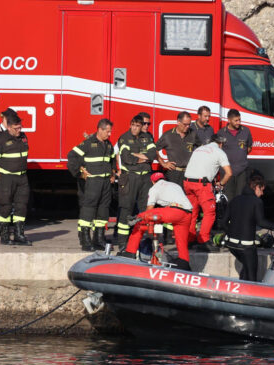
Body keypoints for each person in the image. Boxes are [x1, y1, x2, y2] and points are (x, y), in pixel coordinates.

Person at [119, 172, 194, 271]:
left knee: (140, 221)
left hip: (174, 211)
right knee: (182, 241)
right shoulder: (175, 185)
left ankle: (130, 252)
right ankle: (184, 264)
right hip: (187, 213)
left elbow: (150, 209)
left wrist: (142, 217)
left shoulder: (154, 188)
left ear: (152, 181)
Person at [222, 174, 274, 281]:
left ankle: (241, 288)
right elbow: (261, 222)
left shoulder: (235, 200)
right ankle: (247, 293)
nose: (262, 194)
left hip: (232, 245)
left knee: (246, 267)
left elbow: (223, 222)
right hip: (246, 247)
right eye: (262, 190)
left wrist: (232, 234)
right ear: (257, 187)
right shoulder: (257, 202)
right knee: (252, 277)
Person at [68, 119, 116, 251]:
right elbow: (72, 156)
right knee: (88, 209)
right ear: (100, 130)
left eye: (110, 131)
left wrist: (113, 173)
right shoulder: (88, 143)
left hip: (105, 182)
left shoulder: (108, 144)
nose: (109, 134)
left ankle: (98, 239)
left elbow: (111, 159)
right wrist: (79, 172)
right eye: (107, 131)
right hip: (93, 182)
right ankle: (85, 239)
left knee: (103, 210)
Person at [184, 134, 232, 252]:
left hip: (187, 182)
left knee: (192, 212)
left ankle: (190, 239)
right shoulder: (219, 152)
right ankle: (204, 241)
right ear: (220, 144)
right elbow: (229, 173)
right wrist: (221, 183)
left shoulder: (199, 149)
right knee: (209, 213)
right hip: (202, 185)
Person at [114, 116, 157, 249]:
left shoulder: (147, 137)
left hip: (145, 179)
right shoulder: (124, 138)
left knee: (146, 209)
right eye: (132, 125)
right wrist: (143, 157)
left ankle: (144, 240)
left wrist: (137, 155)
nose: (134, 128)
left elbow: (152, 154)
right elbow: (126, 158)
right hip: (130, 177)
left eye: (137, 126)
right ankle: (122, 243)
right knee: (126, 209)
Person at [0, 113, 32, 246]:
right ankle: (5, 236)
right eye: (16, 128)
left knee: (21, 207)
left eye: (20, 127)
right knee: (5, 206)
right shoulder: (1, 139)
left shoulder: (23, 137)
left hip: (22, 178)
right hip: (7, 178)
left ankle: (19, 235)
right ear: (9, 127)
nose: (19, 131)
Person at [217, 109, 253, 202]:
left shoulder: (246, 131)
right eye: (236, 120)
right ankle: (229, 216)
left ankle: (239, 216)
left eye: (239, 120)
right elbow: (218, 151)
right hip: (227, 172)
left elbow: (249, 148)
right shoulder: (221, 133)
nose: (238, 122)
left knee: (241, 198)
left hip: (242, 171)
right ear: (229, 120)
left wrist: (239, 156)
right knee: (228, 198)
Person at [156, 111, 197, 186]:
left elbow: (201, 149)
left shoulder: (193, 134)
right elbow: (153, 150)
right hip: (173, 174)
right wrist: (163, 163)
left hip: (189, 174)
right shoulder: (168, 135)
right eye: (185, 124)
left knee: (187, 197)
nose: (187, 126)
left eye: (189, 124)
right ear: (178, 122)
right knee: (172, 197)